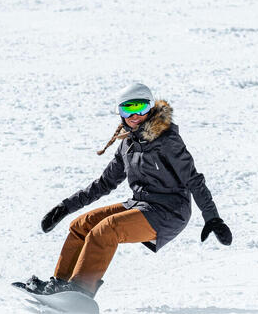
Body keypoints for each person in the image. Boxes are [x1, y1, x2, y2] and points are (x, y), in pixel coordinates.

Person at [15, 82, 232, 299]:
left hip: (169, 212)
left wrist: (213, 218)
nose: (135, 115)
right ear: (120, 113)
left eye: (141, 108)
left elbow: (194, 179)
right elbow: (104, 184)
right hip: (140, 204)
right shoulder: (127, 144)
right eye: (128, 109)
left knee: (107, 229)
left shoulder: (168, 141)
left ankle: (81, 290)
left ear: (151, 109)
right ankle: (60, 286)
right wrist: (64, 207)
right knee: (81, 225)